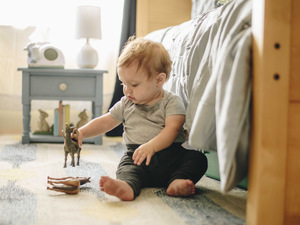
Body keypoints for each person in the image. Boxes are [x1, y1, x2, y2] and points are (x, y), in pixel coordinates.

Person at [75, 37, 207, 201]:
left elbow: (172, 129)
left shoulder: (172, 101)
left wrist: (151, 146)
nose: (126, 90)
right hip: (136, 157)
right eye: (123, 83)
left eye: (134, 85)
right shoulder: (126, 103)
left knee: (198, 159)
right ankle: (127, 186)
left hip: (170, 156)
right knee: (126, 168)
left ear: (159, 80)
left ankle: (177, 181)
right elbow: (106, 121)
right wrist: (82, 132)